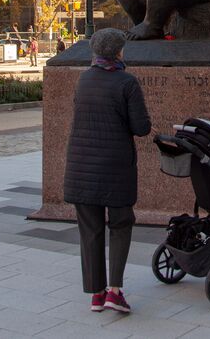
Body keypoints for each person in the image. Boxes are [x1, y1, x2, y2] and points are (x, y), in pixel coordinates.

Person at [63, 28, 151, 314]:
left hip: (81, 166)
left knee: (90, 231)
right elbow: (142, 128)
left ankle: (96, 295)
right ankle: (115, 290)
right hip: (115, 168)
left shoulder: (83, 79)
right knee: (121, 225)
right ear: (118, 52)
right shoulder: (127, 82)